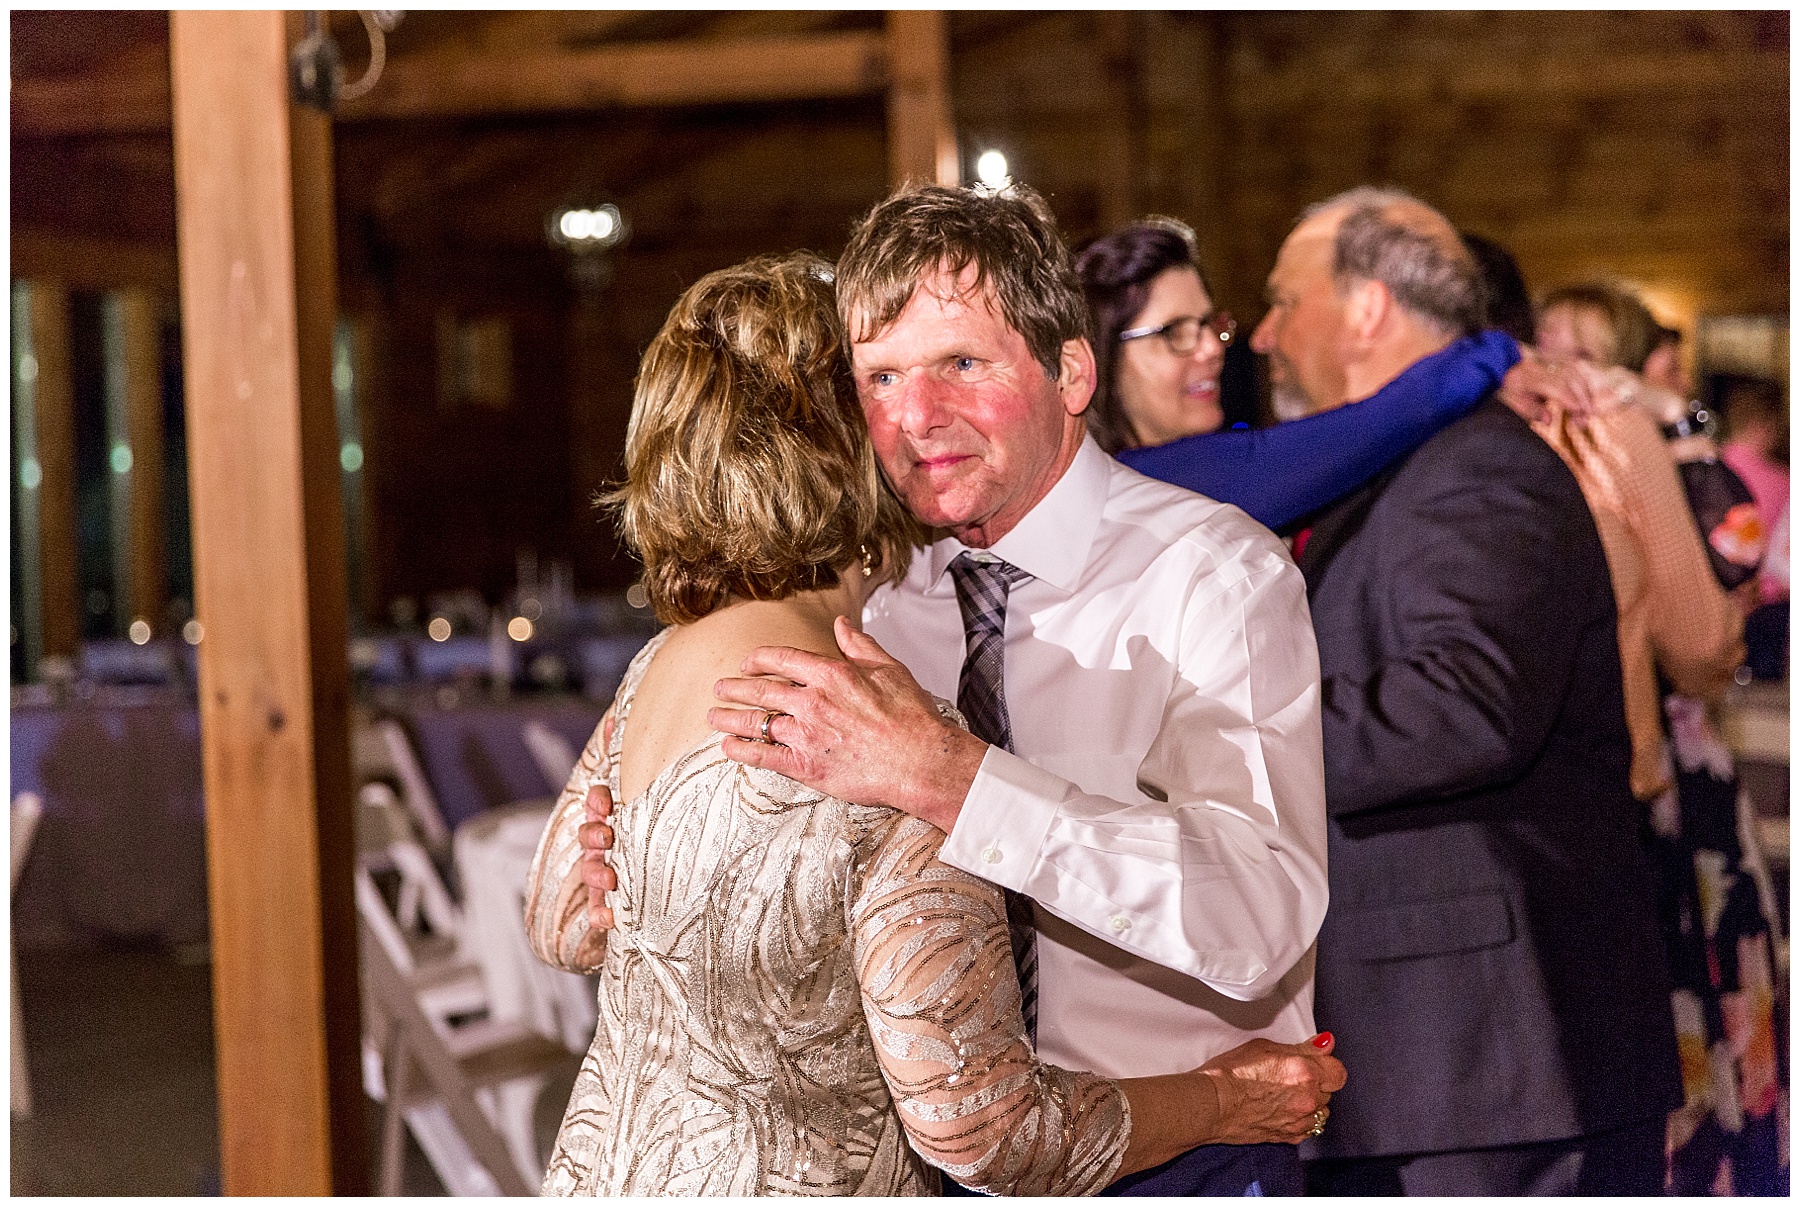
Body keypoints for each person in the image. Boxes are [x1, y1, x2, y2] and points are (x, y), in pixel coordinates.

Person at [524, 253, 1345, 1196]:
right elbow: (985, 1131)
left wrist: (640, 876)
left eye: (955, 366)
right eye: (881, 383)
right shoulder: (878, 722)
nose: (916, 414)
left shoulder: (660, 666)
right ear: (847, 437)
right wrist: (1221, 1100)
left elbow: (559, 919)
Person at [1249, 187, 1683, 1196]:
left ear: (1367, 307)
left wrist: (1216, 747)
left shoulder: (1477, 466)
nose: (1265, 333)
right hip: (1431, 1060)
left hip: (1486, 1060)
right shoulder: (1408, 463)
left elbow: (1464, 705)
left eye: (1284, 300)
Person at [1536, 279, 1782, 1196]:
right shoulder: (1574, 441)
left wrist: (1676, 420)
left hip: (1684, 755)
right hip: (1640, 756)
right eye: (1549, 341)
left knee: (1708, 971)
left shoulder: (1652, 437)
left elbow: (1736, 554)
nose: (1562, 364)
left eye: (1585, 349)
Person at [1073, 217, 1524, 533]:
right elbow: (1370, 425)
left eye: (1209, 324)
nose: (1212, 348)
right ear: (1098, 359)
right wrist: (1498, 353)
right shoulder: (1128, 484)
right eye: (1175, 332)